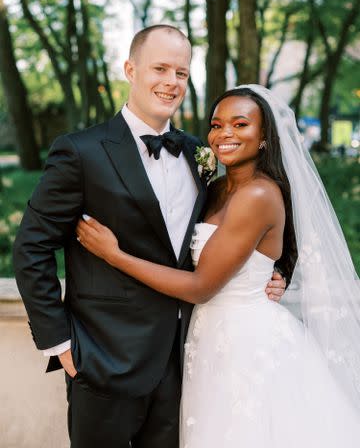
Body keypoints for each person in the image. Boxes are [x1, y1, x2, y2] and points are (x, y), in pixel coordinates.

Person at [12, 27, 285, 448]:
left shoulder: (203, 155)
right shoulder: (80, 152)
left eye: (181, 71)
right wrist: (60, 343)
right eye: (160, 68)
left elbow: (253, 226)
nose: (171, 81)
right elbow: (31, 248)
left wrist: (275, 271)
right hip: (104, 359)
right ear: (130, 69)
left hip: (187, 362)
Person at [76, 85, 360, 447]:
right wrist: (280, 271)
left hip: (246, 345)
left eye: (240, 124)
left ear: (264, 138)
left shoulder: (257, 195)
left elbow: (201, 286)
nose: (224, 133)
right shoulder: (216, 187)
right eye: (217, 124)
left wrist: (114, 255)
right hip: (209, 338)